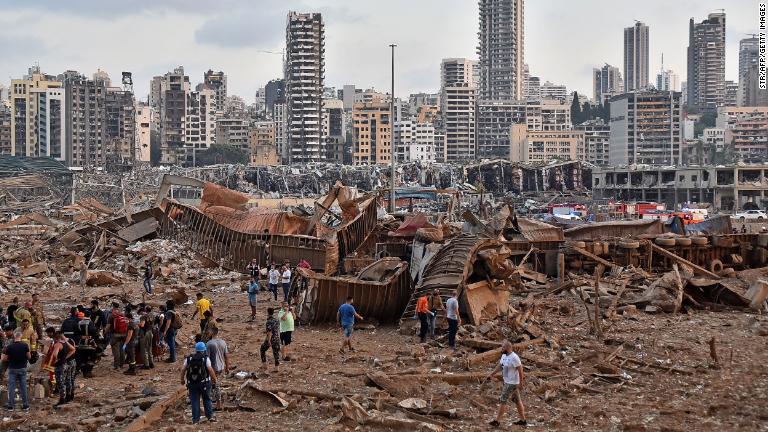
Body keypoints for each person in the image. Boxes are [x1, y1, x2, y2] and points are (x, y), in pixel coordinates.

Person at [485, 340, 527, 427]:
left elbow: (520, 370)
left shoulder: (514, 357)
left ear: (508, 348)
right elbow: (500, 366)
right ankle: (523, 420)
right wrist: (491, 374)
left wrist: (521, 383)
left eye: (503, 347)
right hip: (507, 381)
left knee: (503, 401)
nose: (502, 348)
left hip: (511, 383)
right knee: (517, 401)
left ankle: (497, 421)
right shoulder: (504, 355)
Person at [181, 342, 217, 424]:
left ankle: (195, 420)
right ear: (204, 350)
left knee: (194, 401)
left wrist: (182, 380)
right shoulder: (205, 359)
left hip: (192, 384)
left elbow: (183, 369)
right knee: (207, 399)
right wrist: (215, 379)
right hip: (205, 383)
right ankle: (210, 416)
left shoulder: (189, 359)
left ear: (196, 350)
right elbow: (210, 370)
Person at [2, 330, 30, 411]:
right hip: (22, 369)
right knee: (23, 387)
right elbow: (29, 357)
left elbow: (5, 359)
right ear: (20, 336)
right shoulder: (25, 345)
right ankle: (25, 405)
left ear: (14, 337)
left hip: (12, 369)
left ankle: (10, 406)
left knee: (11, 387)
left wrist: (11, 358)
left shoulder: (10, 346)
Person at [205, 328, 230, 410]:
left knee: (215, 385)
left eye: (209, 332)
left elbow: (206, 358)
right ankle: (215, 400)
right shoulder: (223, 342)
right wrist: (227, 367)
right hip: (221, 367)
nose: (208, 334)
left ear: (212, 333)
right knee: (216, 384)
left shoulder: (209, 343)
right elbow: (226, 356)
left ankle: (218, 404)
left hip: (213, 368)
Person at [51, 330, 77, 407]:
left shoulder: (57, 344)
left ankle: (62, 399)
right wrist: (65, 357)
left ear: (55, 338)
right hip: (66, 364)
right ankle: (68, 396)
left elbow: (54, 355)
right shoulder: (65, 342)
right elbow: (73, 349)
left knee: (60, 383)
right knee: (67, 380)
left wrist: (57, 359)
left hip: (60, 365)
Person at [76, 311, 98, 378]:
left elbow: (77, 333)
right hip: (90, 344)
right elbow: (94, 332)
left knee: (83, 359)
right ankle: (88, 372)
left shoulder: (79, 322)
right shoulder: (90, 323)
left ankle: (84, 373)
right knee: (92, 358)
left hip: (81, 343)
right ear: (90, 316)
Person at [106, 303, 127, 369]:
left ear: (113, 307)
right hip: (123, 334)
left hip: (114, 334)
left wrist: (105, 332)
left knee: (116, 350)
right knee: (122, 349)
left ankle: (116, 365)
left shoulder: (111, 315)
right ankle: (122, 364)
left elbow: (108, 326)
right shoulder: (122, 314)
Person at [259, 308, 280, 372]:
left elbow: (269, 332)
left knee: (262, 349)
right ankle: (277, 367)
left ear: (268, 313)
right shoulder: (276, 320)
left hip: (271, 339)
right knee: (276, 353)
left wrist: (268, 341)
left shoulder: (268, 321)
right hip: (277, 338)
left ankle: (264, 364)